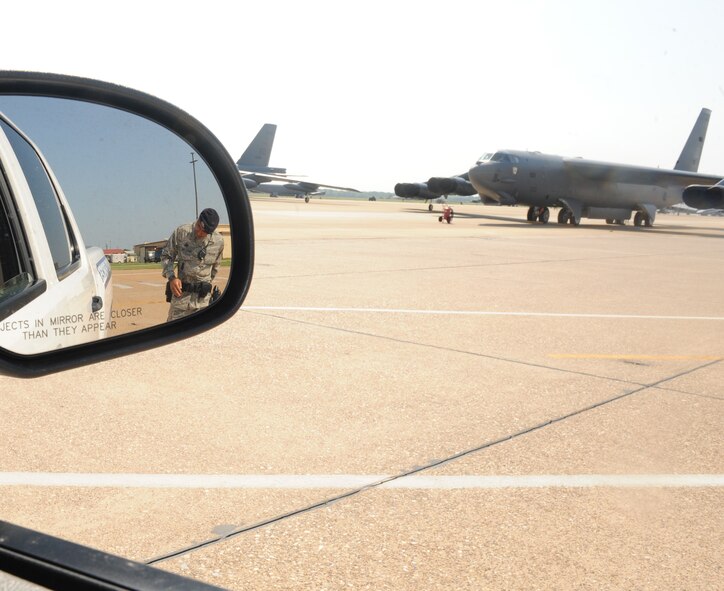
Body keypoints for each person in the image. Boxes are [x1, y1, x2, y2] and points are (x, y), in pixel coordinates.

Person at [161, 208, 224, 321]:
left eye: (204, 233)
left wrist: (206, 285)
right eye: (199, 227)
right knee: (173, 333)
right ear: (198, 220)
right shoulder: (181, 232)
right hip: (181, 299)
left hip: (203, 302)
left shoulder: (218, 241)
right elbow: (166, 256)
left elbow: (215, 267)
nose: (199, 233)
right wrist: (171, 278)